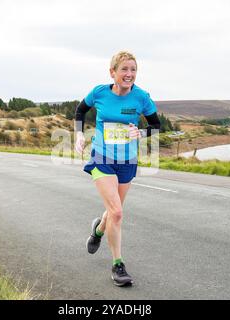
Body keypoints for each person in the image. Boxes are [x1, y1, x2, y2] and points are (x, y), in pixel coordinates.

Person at [75, 51, 161, 286]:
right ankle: (118, 265)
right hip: (102, 157)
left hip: (127, 161)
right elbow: (80, 111)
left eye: (133, 70)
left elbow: (156, 125)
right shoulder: (99, 93)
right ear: (112, 72)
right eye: (124, 69)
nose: (129, 74)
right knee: (118, 213)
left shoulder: (142, 97)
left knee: (114, 212)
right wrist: (79, 135)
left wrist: (141, 132)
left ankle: (99, 230)